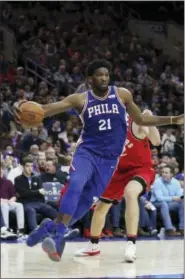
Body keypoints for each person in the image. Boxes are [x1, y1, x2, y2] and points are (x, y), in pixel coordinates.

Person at [14, 59, 183, 262]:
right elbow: (47, 108)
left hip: (109, 161)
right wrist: (23, 107)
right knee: (76, 185)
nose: (104, 78)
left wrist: (173, 119)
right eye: (99, 75)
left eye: (106, 74)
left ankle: (48, 228)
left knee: (84, 204)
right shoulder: (80, 99)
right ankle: (59, 237)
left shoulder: (122, 95)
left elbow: (142, 120)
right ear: (89, 79)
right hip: (87, 153)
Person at [74, 109, 160, 262]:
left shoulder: (135, 121)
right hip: (117, 172)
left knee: (131, 192)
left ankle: (131, 243)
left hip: (141, 168)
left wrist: (151, 121)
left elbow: (156, 141)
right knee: (101, 207)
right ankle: (93, 245)